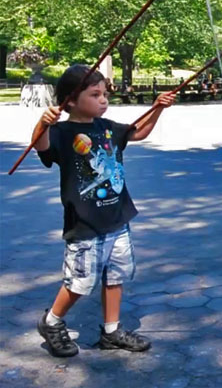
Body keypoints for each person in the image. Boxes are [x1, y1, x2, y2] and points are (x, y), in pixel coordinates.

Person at [32, 64, 175, 357]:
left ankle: (111, 331)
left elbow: (139, 133)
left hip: (117, 219)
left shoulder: (107, 127)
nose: (103, 100)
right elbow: (40, 145)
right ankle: (52, 321)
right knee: (79, 283)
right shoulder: (62, 132)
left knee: (115, 277)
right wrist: (43, 123)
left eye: (105, 94)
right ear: (70, 100)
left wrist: (158, 108)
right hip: (85, 225)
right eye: (95, 94)